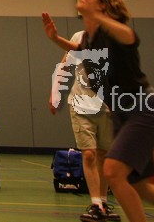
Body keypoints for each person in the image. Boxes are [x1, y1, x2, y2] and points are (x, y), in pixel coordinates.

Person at [45, 0, 154, 222]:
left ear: (103, 5)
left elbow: (130, 37)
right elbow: (78, 49)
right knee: (138, 182)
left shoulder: (113, 31)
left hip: (142, 108)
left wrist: (98, 17)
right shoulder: (89, 38)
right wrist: (55, 38)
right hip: (120, 113)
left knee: (113, 171)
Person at [44, 18, 118, 222]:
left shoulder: (114, 40)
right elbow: (65, 64)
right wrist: (55, 92)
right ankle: (95, 204)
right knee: (89, 154)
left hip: (107, 107)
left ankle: (103, 203)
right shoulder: (79, 37)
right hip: (80, 104)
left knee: (103, 155)